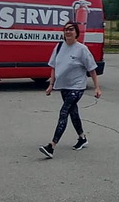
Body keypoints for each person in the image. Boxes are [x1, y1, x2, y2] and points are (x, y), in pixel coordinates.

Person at [39, 21, 102, 158]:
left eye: (71, 29)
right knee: (73, 113)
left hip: (77, 87)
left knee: (64, 112)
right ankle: (82, 138)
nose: (68, 32)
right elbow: (53, 66)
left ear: (76, 33)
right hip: (64, 86)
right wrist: (51, 84)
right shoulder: (59, 46)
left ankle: (51, 146)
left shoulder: (82, 49)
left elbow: (92, 69)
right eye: (66, 29)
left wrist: (97, 87)